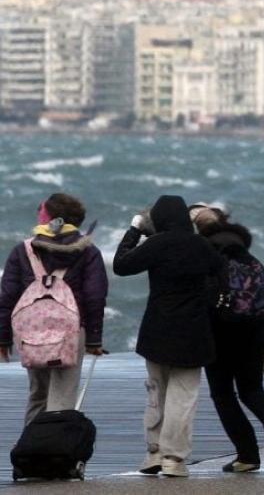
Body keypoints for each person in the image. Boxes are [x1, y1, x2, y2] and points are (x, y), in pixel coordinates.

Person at [113, 195, 223, 478]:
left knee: (155, 393)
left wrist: (135, 229)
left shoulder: (156, 245)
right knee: (182, 398)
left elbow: (121, 265)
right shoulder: (202, 246)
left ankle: (153, 453)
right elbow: (222, 277)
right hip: (193, 332)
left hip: (157, 330)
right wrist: (207, 301)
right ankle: (173, 459)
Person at [191, 207, 264, 473]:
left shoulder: (208, 257)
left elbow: (202, 300)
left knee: (223, 395)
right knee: (252, 390)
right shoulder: (253, 260)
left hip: (219, 334)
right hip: (254, 332)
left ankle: (247, 456)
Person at [0, 193, 108, 425]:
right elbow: (94, 297)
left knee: (38, 394)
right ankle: (56, 454)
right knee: (63, 396)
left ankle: (31, 451)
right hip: (71, 332)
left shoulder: (23, 250)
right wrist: (94, 340)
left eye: (42, 211)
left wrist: (3, 338)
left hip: (31, 331)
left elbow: (7, 297)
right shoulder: (89, 252)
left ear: (52, 219)